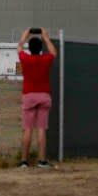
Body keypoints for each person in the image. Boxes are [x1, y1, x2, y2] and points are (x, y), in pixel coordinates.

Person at [17, 27, 57, 169]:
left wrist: (26, 33)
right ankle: (42, 160)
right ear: (41, 48)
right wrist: (45, 37)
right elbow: (53, 52)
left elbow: (19, 47)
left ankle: (23, 161)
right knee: (41, 129)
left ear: (30, 48)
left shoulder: (25, 59)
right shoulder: (45, 59)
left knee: (28, 129)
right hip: (44, 95)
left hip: (29, 95)